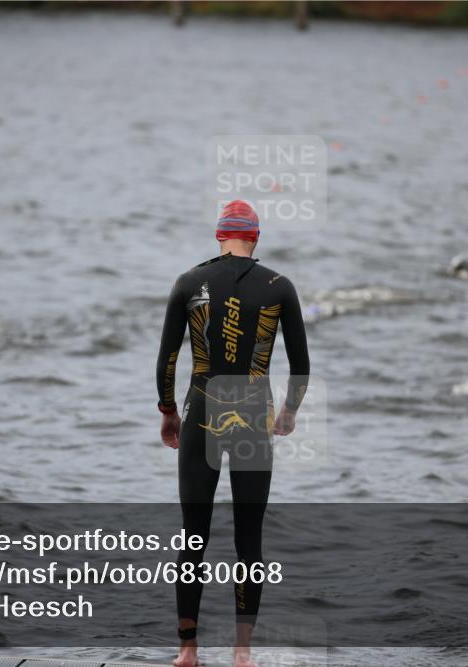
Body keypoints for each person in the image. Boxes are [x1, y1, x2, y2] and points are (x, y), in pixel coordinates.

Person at [156, 200, 310, 667]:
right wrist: (288, 413)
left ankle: (187, 652)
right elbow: (301, 367)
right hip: (254, 415)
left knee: (193, 536)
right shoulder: (279, 287)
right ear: (255, 239)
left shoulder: (187, 283)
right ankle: (242, 652)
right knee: (249, 537)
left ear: (219, 236)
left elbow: (166, 362)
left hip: (201, 411)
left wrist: (168, 412)